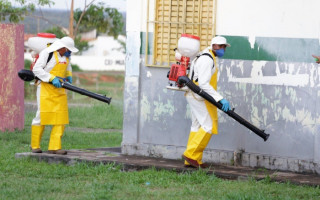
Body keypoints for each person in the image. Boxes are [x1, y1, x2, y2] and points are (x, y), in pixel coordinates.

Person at [182, 36, 231, 168]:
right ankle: (191, 154)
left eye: (224, 47)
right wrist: (220, 98)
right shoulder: (206, 59)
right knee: (208, 126)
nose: (223, 50)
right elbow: (203, 84)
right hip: (197, 95)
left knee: (197, 126)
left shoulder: (206, 56)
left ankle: (193, 160)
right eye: (221, 47)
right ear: (214, 46)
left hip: (194, 95)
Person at [30, 36, 78, 155]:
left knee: (60, 118)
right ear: (62, 47)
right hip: (45, 88)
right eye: (68, 50)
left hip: (60, 89)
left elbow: (68, 66)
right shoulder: (47, 53)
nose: (69, 52)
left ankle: (55, 147)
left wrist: (69, 75)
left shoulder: (66, 56)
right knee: (41, 116)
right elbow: (36, 69)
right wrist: (51, 78)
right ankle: (35, 145)